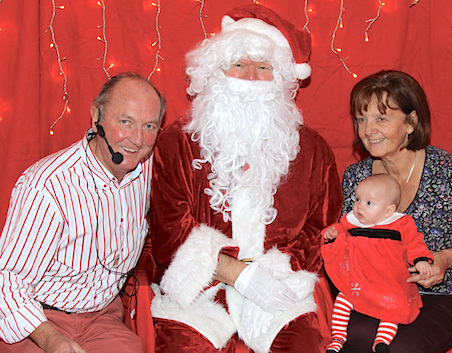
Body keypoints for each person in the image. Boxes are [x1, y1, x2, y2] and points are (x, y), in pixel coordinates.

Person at [146, 4, 343, 353]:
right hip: (199, 294)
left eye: (263, 67)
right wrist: (240, 275)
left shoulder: (312, 149)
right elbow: (169, 233)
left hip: (279, 290)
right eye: (239, 64)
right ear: (215, 72)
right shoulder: (177, 142)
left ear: (281, 78)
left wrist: (280, 270)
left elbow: (322, 228)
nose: (250, 77)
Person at [334, 69, 452, 352]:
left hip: (444, 294)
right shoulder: (356, 177)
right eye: (361, 119)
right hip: (374, 292)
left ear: (411, 122)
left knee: (401, 348)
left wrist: (447, 259)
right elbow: (346, 235)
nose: (367, 130)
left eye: (381, 118)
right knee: (349, 339)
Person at [0, 72, 166, 353]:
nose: (137, 140)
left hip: (103, 316)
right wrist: (52, 340)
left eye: (149, 125)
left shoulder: (147, 168)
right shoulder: (47, 187)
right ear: (95, 117)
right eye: (125, 122)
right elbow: (6, 282)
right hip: (39, 320)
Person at [321, 174, 433, 353]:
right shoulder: (352, 221)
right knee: (343, 299)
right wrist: (333, 232)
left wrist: (420, 260)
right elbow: (340, 228)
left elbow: (415, 243)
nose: (359, 206)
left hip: (388, 282)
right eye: (357, 199)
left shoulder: (400, 224)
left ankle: (382, 341)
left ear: (389, 211)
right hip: (359, 280)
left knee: (392, 308)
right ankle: (338, 338)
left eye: (368, 203)